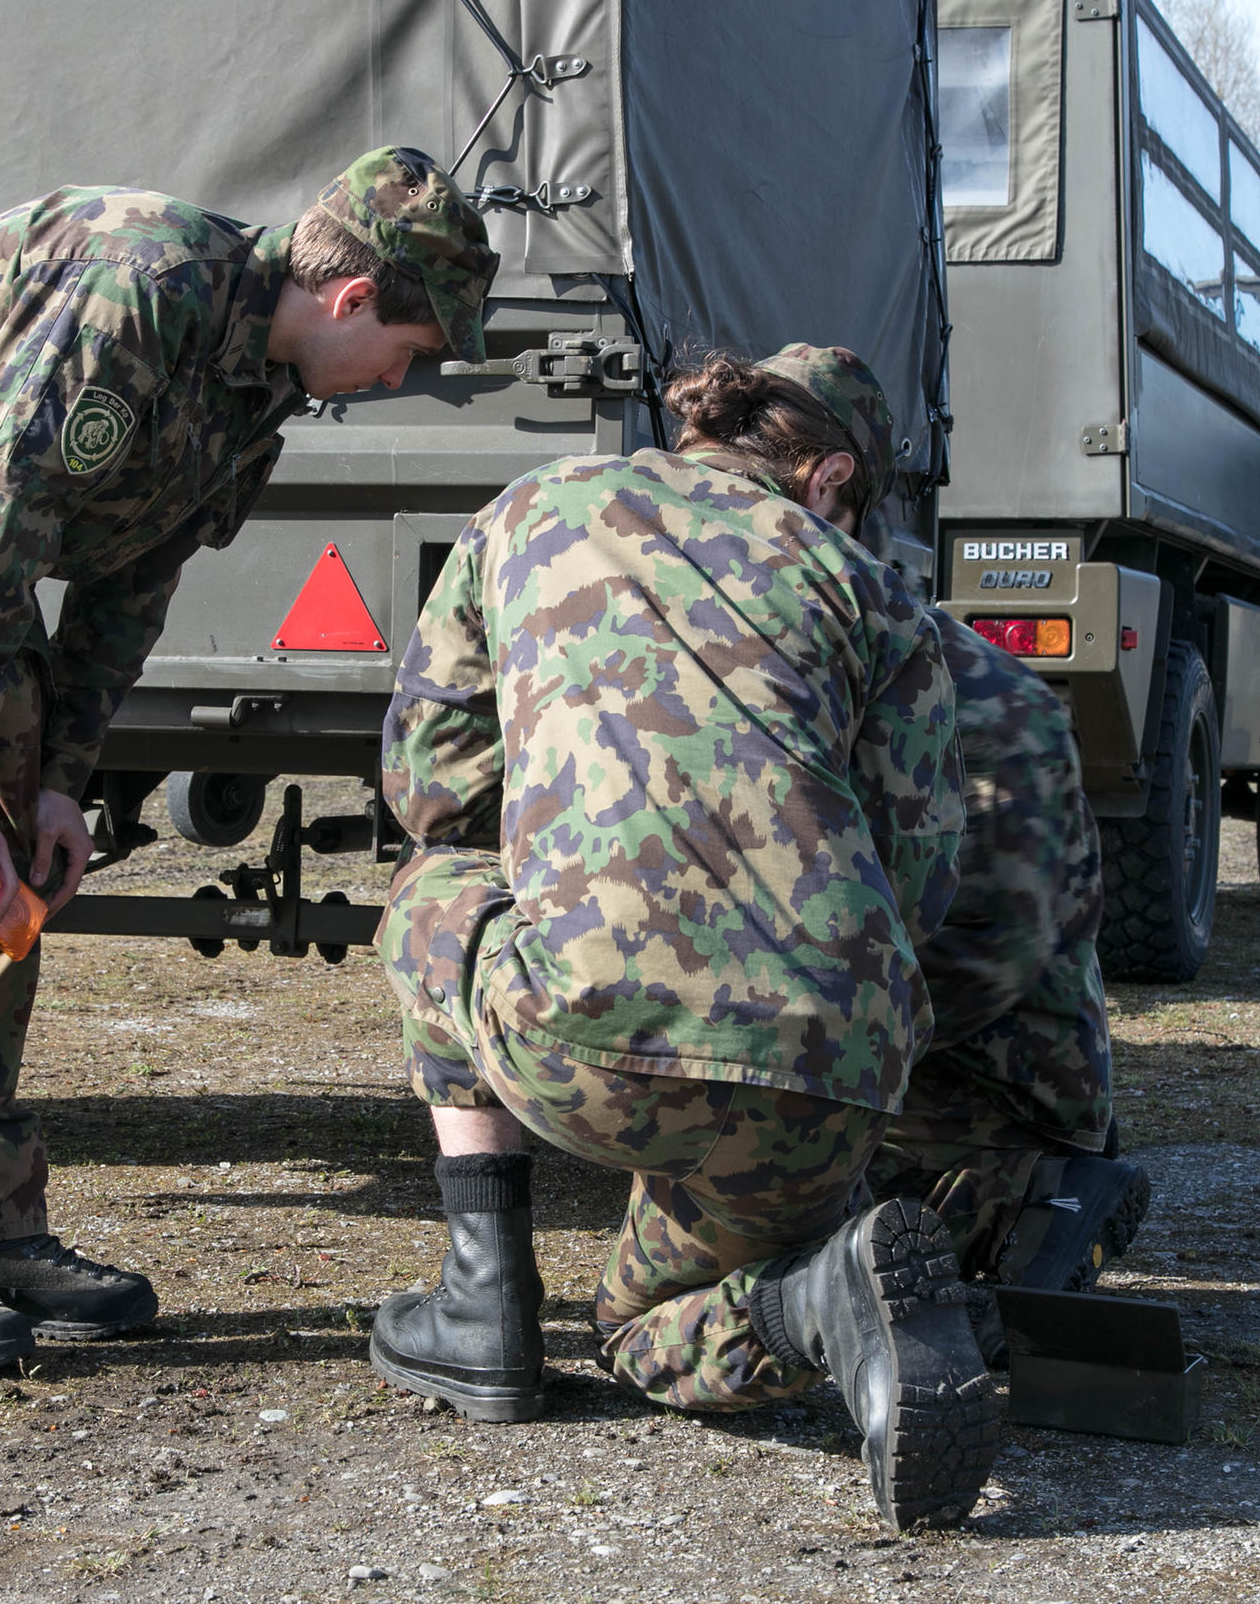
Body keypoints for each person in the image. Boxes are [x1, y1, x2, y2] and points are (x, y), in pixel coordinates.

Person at [0, 147, 498, 1378]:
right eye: (407, 350)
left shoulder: (260, 389)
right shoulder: (136, 285)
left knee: (12, 870)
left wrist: (47, 786)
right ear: (353, 299)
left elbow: (128, 591)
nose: (399, 377)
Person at [367, 345, 998, 1532]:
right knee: (651, 1332)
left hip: (583, 1042)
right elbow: (919, 869)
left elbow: (431, 782)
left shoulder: (529, 510)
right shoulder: (871, 592)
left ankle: (484, 1299)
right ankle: (818, 1301)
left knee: (433, 882)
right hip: (829, 1068)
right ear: (829, 477)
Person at [868, 613, 1149, 1361]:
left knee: (836, 1243)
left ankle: (1038, 1192)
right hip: (911, 1041)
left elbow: (990, 957)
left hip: (1001, 1073)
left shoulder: (987, 700)